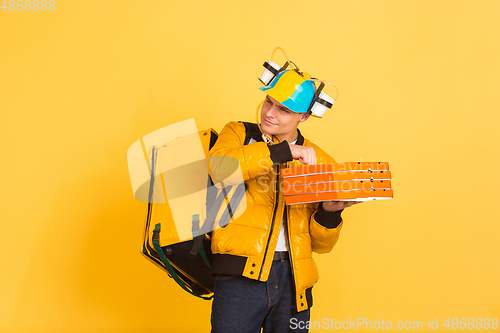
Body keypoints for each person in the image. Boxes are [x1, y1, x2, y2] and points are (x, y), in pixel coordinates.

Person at [208, 56, 359, 333]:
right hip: (240, 276)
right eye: (269, 102)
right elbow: (219, 169)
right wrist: (282, 151)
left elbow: (322, 245)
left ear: (303, 116)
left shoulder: (321, 160)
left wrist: (329, 213)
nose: (270, 113)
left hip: (295, 281)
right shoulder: (239, 133)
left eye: (284, 110)